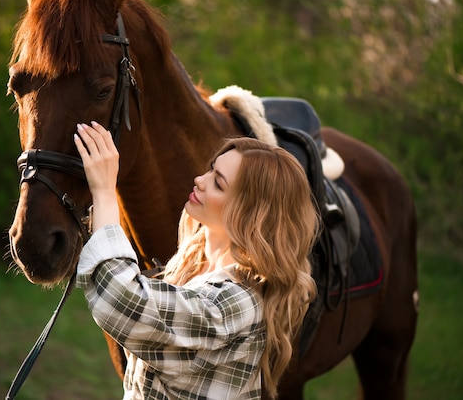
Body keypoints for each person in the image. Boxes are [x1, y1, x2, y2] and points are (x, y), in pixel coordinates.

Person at [73, 121, 318, 399]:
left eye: (218, 182)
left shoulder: (237, 302)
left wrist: (104, 191)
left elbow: (122, 300)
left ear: (248, 214)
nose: (200, 180)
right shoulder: (192, 261)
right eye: (211, 169)